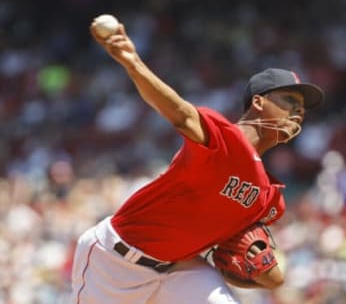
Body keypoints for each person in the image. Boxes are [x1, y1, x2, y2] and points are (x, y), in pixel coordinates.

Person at [71, 17, 324, 304]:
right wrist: (133, 62)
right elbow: (180, 113)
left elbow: (254, 265)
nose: (298, 111)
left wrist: (251, 270)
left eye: (302, 108)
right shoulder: (225, 140)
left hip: (182, 269)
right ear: (258, 102)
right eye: (289, 100)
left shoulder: (269, 199)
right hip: (114, 262)